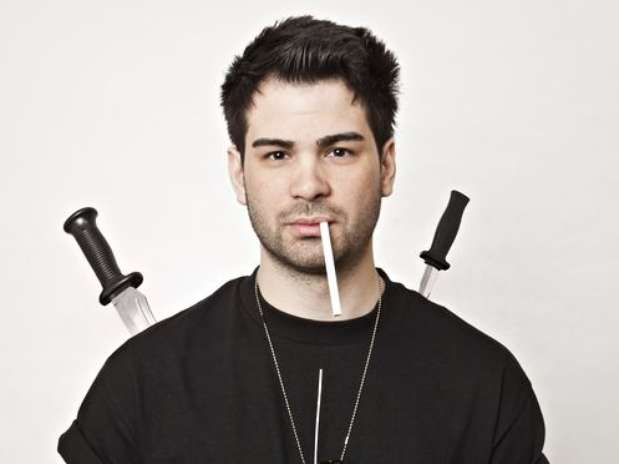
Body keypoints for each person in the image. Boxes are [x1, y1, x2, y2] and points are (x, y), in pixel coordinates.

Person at [57, 15, 549, 463]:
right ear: (239, 174)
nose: (309, 185)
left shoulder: (484, 383)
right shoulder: (141, 382)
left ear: (387, 166)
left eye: (339, 151)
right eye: (277, 155)